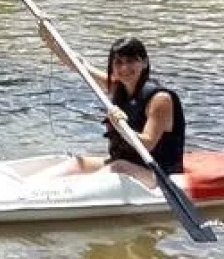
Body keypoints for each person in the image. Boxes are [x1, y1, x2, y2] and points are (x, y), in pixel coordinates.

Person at [35, 23, 186, 185]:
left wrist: (119, 125)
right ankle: (29, 188)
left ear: (144, 63)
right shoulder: (118, 87)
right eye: (118, 63)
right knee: (77, 163)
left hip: (158, 173)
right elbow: (80, 66)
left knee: (118, 166)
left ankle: (66, 192)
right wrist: (51, 42)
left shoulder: (160, 99)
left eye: (130, 61)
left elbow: (147, 144)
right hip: (126, 163)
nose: (124, 68)